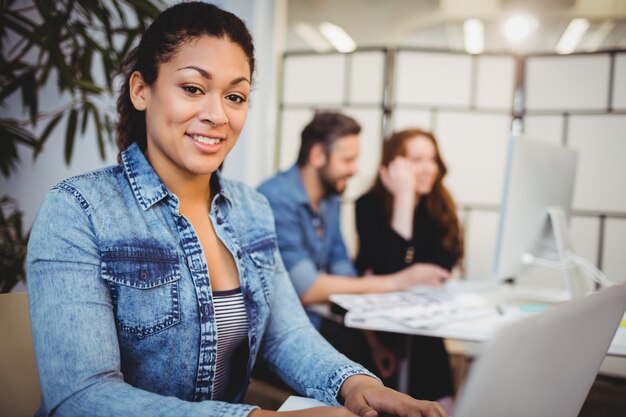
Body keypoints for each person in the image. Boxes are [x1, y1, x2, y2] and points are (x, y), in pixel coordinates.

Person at [25, 4, 449, 417]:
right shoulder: (78, 210)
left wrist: (359, 386)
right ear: (141, 90)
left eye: (235, 96)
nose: (217, 115)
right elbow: (81, 397)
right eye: (193, 88)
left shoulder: (251, 210)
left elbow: (287, 336)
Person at [256, 112, 451, 383]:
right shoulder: (273, 199)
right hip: (284, 338)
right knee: (373, 374)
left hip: (320, 322)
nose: (355, 169)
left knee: (391, 356)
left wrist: (374, 343)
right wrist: (399, 280)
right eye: (348, 160)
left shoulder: (330, 200)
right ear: (317, 156)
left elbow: (345, 276)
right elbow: (309, 289)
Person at [355, 128, 465, 413]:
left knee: (427, 353)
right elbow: (395, 275)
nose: (428, 168)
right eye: (417, 160)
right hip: (377, 328)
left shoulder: (441, 208)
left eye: (432, 159)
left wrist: (404, 275)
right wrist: (404, 199)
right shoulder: (368, 206)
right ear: (393, 165)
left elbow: (436, 273)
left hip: (425, 328)